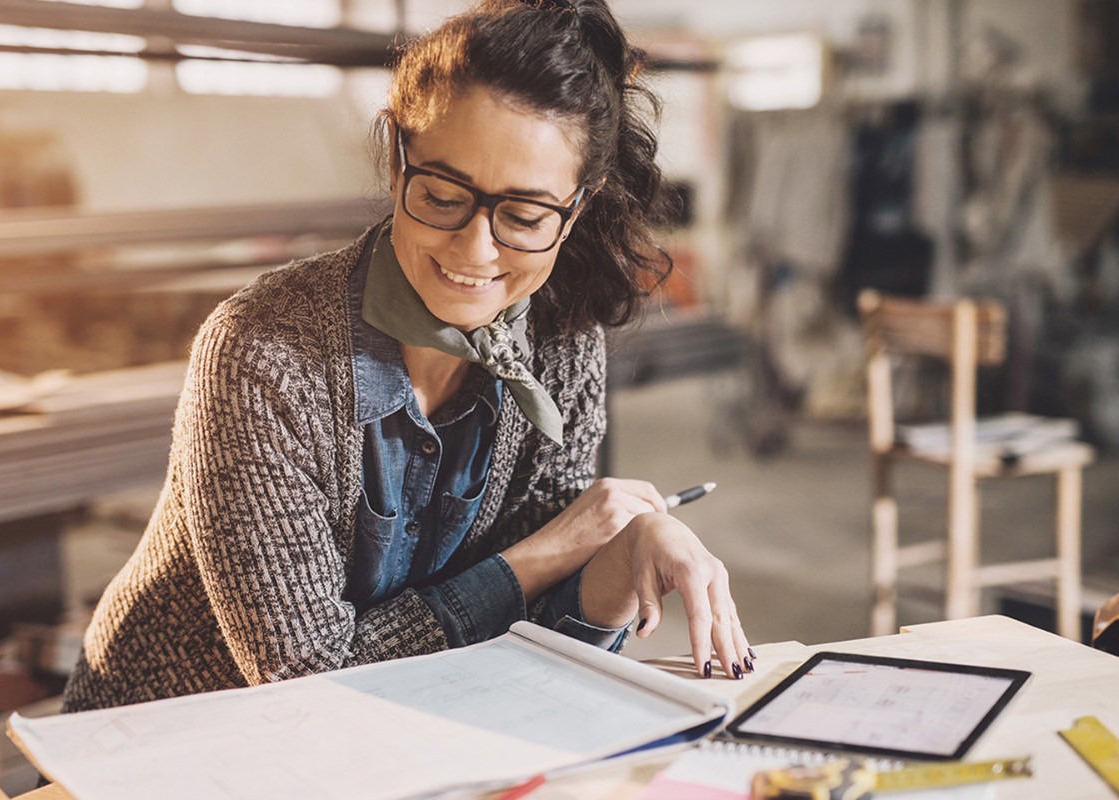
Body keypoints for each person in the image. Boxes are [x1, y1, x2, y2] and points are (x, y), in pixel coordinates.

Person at [62, 0, 752, 714]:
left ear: (575, 209)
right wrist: (547, 552)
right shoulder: (263, 355)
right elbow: (307, 680)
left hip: (398, 737)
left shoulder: (562, 345)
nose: (475, 250)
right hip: (166, 740)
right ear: (397, 160)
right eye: (444, 196)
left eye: (523, 215)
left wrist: (625, 555)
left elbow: (531, 646)